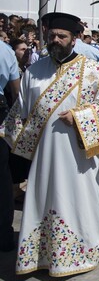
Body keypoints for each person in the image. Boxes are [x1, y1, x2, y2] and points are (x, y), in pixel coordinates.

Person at [0, 12, 99, 276]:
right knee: (44, 197)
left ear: (74, 39)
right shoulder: (34, 71)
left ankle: (84, 250)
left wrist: (79, 116)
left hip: (79, 156)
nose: (55, 40)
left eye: (61, 36)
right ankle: (41, 254)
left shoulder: (94, 71)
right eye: (51, 35)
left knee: (79, 201)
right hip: (45, 156)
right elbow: (21, 111)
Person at [0, 39, 20, 252]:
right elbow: (16, 92)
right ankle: (4, 235)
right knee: (2, 177)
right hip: (1, 110)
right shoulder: (5, 51)